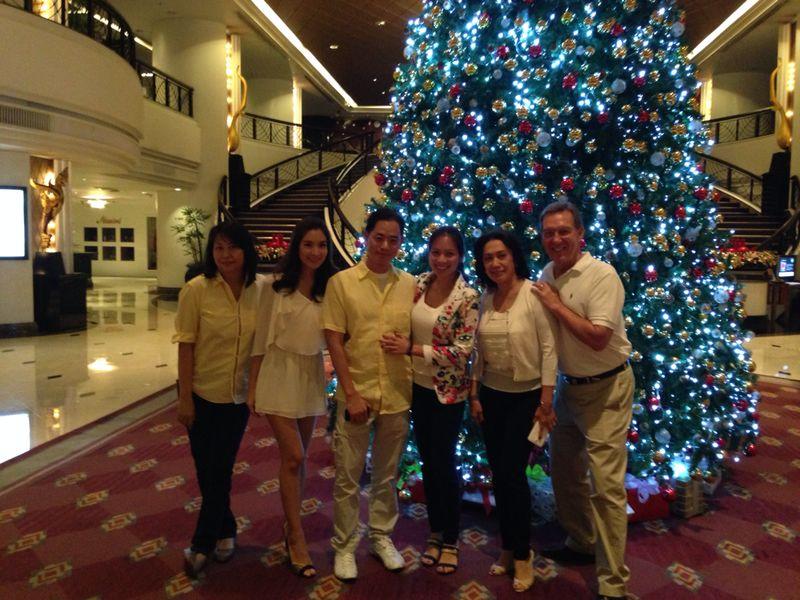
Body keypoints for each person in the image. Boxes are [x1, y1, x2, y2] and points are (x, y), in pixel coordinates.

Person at [532, 200, 634, 600]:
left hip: (606, 389)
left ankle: (613, 583)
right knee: (564, 472)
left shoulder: (601, 275)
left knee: (606, 488)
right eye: (549, 233)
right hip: (567, 387)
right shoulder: (546, 273)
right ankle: (582, 541)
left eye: (564, 231)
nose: (556, 239)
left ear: (580, 234)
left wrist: (556, 305)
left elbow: (598, 337)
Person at [322, 206, 416, 582]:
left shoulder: (410, 284)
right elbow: (334, 339)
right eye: (379, 238)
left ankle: (381, 536)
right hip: (356, 394)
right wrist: (351, 393)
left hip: (397, 393)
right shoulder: (342, 283)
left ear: (400, 243)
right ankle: (344, 546)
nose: (385, 246)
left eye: (393, 240)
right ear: (366, 237)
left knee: (386, 474)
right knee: (347, 476)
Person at [380, 226, 479, 575]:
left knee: (443, 463)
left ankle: (450, 539)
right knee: (428, 462)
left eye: (449, 253)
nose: (441, 259)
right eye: (436, 252)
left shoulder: (468, 296)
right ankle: (435, 532)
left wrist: (413, 349)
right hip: (416, 387)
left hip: (447, 393)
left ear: (460, 256)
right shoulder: (419, 283)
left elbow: (462, 351)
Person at [246, 216, 336, 578]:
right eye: (308, 244)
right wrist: (253, 386)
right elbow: (259, 340)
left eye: (321, 245)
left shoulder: (330, 288)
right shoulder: (275, 287)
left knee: (297, 460)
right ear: (297, 247)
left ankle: (290, 523)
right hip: (278, 372)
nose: (315, 252)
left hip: (310, 374)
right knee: (294, 455)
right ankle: (296, 536)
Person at [469, 230, 557, 593]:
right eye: (488, 258)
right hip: (492, 397)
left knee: (512, 474)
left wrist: (546, 402)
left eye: (501, 255)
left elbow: (549, 348)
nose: (495, 263)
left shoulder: (533, 294)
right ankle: (507, 546)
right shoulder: (485, 298)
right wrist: (474, 393)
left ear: (514, 257)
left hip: (526, 398)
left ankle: (523, 554)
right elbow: (477, 352)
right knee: (500, 475)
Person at [173, 221, 262, 579]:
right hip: (201, 394)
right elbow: (186, 345)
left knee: (220, 469)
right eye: (219, 248)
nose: (226, 255)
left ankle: (201, 544)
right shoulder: (196, 290)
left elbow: (259, 347)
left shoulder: (260, 290)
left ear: (246, 251)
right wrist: (184, 399)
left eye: (233, 247)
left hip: (236, 397)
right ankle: (226, 528)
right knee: (205, 470)